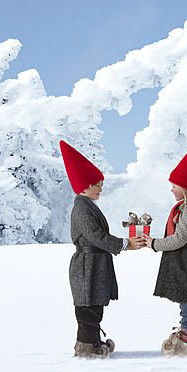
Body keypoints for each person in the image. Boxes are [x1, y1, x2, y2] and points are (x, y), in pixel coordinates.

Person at [60, 140, 144, 359]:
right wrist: (125, 244)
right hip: (88, 266)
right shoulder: (81, 208)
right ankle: (88, 347)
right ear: (85, 185)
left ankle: (92, 343)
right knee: (87, 305)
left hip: (95, 264)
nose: (100, 188)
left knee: (94, 304)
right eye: (97, 184)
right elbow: (96, 237)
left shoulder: (87, 206)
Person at [142, 145, 187, 356]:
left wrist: (153, 243)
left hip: (185, 262)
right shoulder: (185, 207)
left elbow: (179, 239)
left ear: (185, 186)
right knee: (185, 299)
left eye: (174, 186)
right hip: (181, 261)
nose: (171, 189)